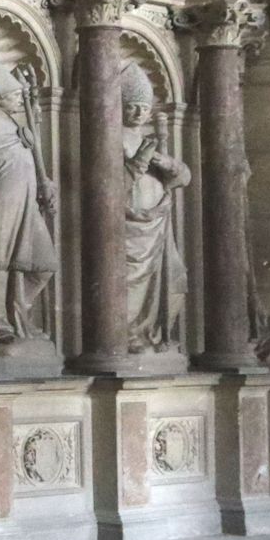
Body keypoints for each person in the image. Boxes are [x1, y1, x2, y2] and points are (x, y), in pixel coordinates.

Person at [0, 60, 58, 344]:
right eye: (14, 96)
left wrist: (44, 184)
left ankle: (18, 315)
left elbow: (27, 154)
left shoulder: (11, 119)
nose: (19, 100)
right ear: (0, 99)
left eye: (18, 96)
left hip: (26, 203)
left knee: (43, 265)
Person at [121, 62, 191, 352]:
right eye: (132, 107)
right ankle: (127, 334)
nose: (139, 113)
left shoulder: (147, 138)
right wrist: (138, 161)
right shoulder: (113, 138)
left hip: (158, 222)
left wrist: (170, 164)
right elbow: (110, 182)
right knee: (129, 281)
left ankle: (155, 331)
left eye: (144, 108)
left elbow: (183, 178)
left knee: (175, 278)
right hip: (129, 224)